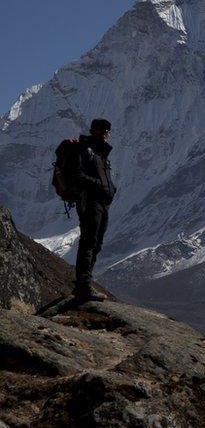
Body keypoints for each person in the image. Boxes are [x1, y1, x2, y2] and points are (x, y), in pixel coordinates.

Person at [72, 118, 117, 301]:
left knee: (96, 243)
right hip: (90, 201)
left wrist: (110, 189)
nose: (107, 134)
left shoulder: (101, 152)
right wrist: (99, 185)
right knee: (89, 242)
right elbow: (77, 175)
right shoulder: (87, 150)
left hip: (101, 203)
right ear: (99, 131)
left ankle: (85, 283)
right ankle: (83, 286)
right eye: (106, 131)